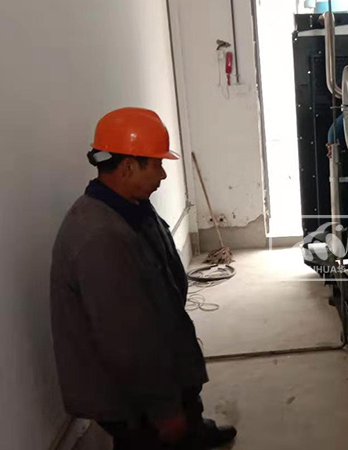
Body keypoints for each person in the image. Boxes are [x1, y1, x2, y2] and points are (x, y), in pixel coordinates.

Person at [50, 107, 236, 449]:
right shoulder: (101, 237)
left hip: (163, 354)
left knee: (187, 411)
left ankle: (194, 428)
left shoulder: (129, 205)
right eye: (157, 164)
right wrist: (164, 410)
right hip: (130, 398)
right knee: (152, 440)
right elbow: (127, 341)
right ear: (128, 166)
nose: (163, 175)